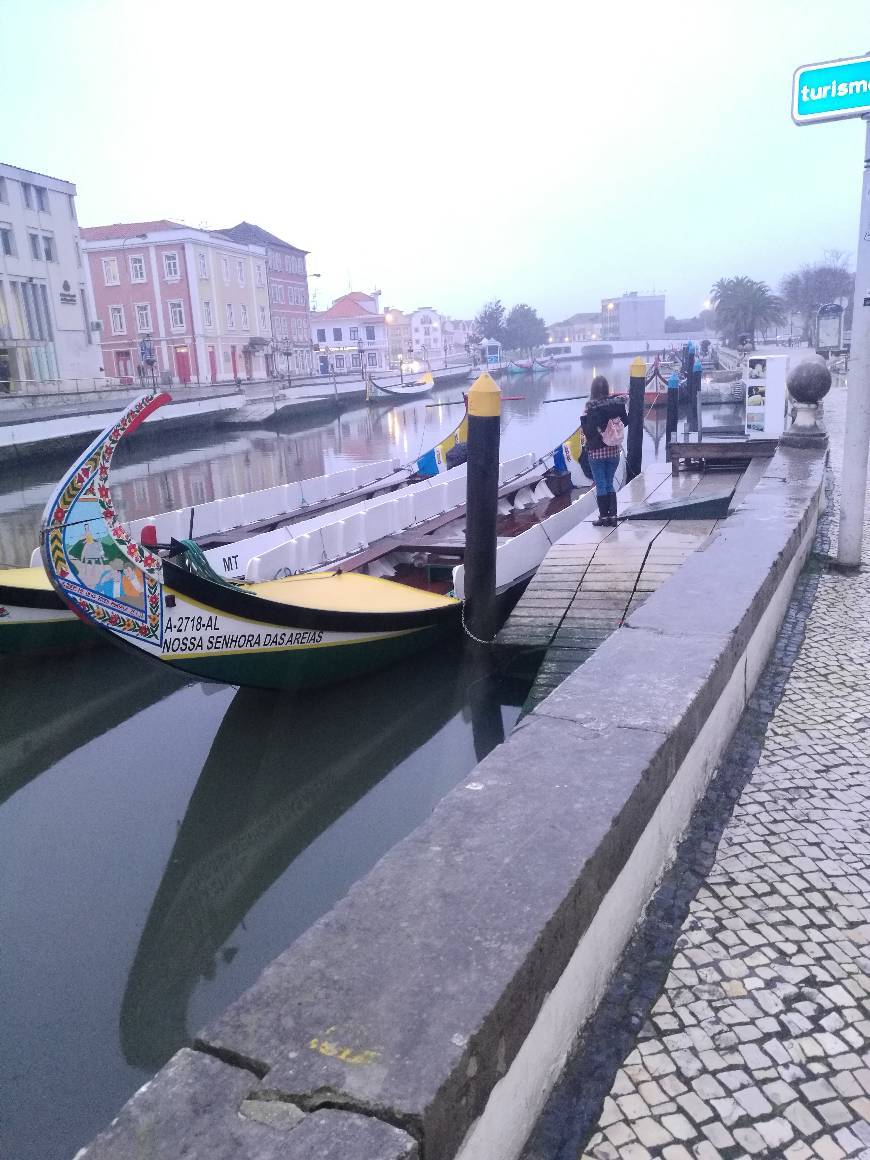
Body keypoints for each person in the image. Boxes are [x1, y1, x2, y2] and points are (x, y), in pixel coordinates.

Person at [581, 375, 628, 526]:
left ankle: (603, 517)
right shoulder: (617, 403)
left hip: (596, 452)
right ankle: (613, 516)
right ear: (607, 389)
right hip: (614, 451)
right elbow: (625, 421)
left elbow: (588, 432)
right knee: (609, 483)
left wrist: (583, 419)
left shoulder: (591, 407)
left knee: (601, 484)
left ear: (593, 389)